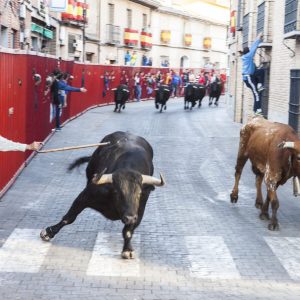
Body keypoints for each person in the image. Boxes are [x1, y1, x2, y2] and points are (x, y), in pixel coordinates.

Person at [242, 32, 265, 114]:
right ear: (248, 52)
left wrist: (259, 67)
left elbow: (254, 68)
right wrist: (258, 38)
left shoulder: (247, 59)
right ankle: (258, 110)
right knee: (256, 93)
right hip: (248, 77)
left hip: (250, 77)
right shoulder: (248, 56)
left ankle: (259, 85)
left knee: (261, 70)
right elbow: (254, 48)